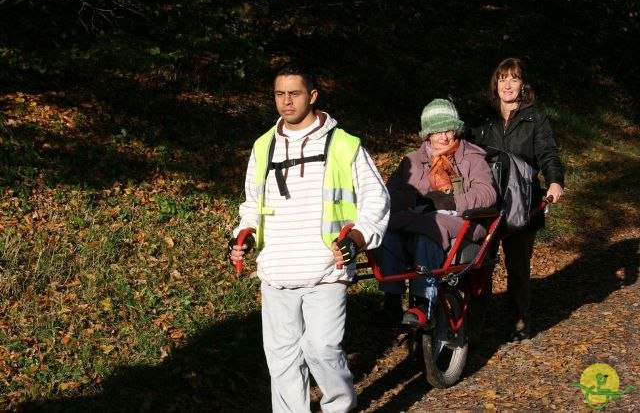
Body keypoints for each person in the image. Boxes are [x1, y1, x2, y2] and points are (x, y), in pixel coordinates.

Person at [229, 63, 390, 413]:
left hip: (325, 270)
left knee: (321, 349)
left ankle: (339, 407)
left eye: (295, 93)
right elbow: (252, 204)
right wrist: (244, 235)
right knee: (282, 359)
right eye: (279, 94)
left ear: (312, 96)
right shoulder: (262, 146)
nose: (286, 101)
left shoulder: (344, 145)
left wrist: (358, 237)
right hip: (275, 272)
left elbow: (376, 199)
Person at [468, 57, 564, 342]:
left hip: (525, 201)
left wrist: (555, 181)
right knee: (480, 264)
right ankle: (474, 325)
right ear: (495, 83)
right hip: (487, 200)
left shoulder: (535, 116)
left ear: (523, 85)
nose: (507, 85)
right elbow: (464, 150)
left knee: (518, 265)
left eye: (514, 79)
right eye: (502, 78)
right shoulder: (481, 116)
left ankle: (520, 320)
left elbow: (547, 152)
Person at [377, 98, 497, 326]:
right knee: (388, 228)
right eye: (437, 130)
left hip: (461, 223)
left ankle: (425, 303)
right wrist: (416, 199)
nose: (444, 137)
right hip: (417, 218)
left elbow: (487, 194)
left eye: (449, 130)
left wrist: (450, 201)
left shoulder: (471, 157)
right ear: (427, 134)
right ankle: (391, 300)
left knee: (430, 226)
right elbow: (387, 195)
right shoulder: (411, 161)